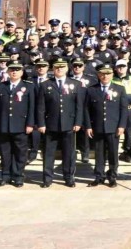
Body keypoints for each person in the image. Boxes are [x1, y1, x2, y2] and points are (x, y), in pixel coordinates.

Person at [37, 59, 85, 188]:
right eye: (56, 67)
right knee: (48, 153)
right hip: (50, 124)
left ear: (67, 68)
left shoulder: (76, 84)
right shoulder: (45, 84)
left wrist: (78, 122)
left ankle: (68, 177)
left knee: (69, 153)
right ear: (52, 69)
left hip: (69, 124)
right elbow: (41, 107)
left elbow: (79, 106)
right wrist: (41, 123)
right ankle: (47, 178)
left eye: (62, 67)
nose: (59, 69)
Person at [0, 62, 35, 187]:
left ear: (22, 72)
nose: (14, 72)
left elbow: (32, 107)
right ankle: (5, 175)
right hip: (4, 124)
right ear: (8, 72)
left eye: (17, 70)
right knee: (5, 152)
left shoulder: (28, 86)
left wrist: (30, 123)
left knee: (20, 153)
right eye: (12, 70)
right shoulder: (0, 86)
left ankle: (18, 176)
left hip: (21, 125)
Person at [84, 63, 127, 187]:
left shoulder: (119, 89)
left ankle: (112, 176)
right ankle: (99, 176)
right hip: (97, 127)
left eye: (108, 73)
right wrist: (88, 126)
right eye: (102, 73)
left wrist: (122, 126)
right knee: (99, 154)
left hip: (113, 127)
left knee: (113, 154)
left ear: (112, 75)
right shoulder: (92, 90)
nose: (105, 76)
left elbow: (123, 109)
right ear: (98, 75)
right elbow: (86, 109)